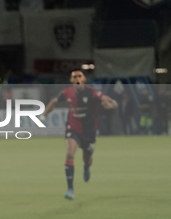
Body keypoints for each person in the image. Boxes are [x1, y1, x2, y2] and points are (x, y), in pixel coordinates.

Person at [42, 68, 118, 200]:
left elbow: (106, 99)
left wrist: (111, 103)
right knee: (70, 154)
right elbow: (54, 102)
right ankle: (70, 189)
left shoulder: (91, 92)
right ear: (72, 81)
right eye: (74, 78)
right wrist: (43, 116)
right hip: (73, 129)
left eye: (79, 77)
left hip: (89, 132)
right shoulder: (66, 92)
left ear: (84, 80)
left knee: (87, 158)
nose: (77, 80)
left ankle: (86, 167)